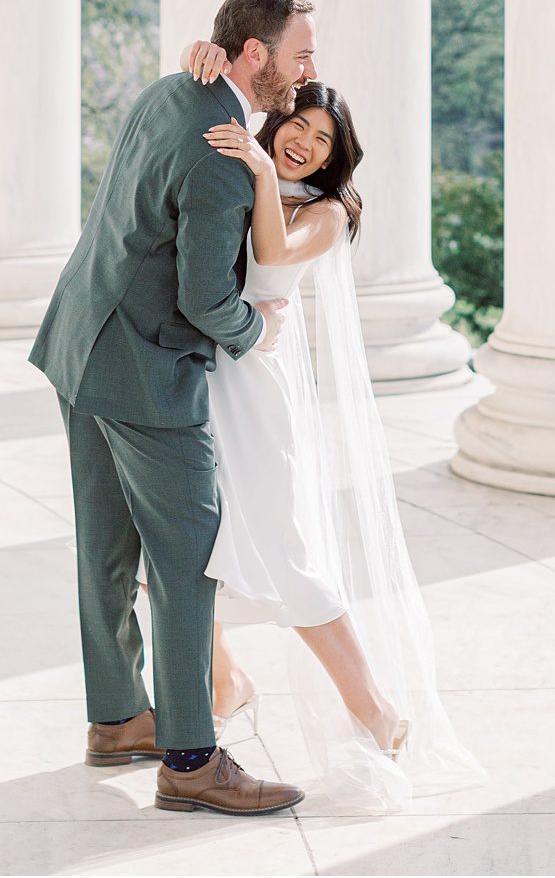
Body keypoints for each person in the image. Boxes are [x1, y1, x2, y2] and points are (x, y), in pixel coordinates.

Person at [29, 0, 316, 816]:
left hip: (80, 338)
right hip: (147, 370)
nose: (305, 73)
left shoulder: (173, 89)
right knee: (191, 558)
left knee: (105, 548)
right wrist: (255, 330)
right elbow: (203, 298)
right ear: (254, 54)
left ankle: (118, 717)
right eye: (299, 55)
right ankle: (190, 756)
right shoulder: (225, 153)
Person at [180, 45, 488, 813]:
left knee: (289, 550)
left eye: (321, 139)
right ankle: (226, 678)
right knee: (185, 538)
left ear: (334, 153)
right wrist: (211, 56)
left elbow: (271, 254)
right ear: (277, 116)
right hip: (208, 375)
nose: (304, 145)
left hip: (261, 385)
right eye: (298, 127)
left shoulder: (326, 209)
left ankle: (378, 711)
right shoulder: (244, 157)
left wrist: (257, 169)